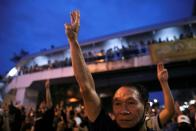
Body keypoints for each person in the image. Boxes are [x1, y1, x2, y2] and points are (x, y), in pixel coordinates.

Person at [64, 10, 175, 131]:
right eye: (117, 104)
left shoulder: (152, 125)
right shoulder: (106, 127)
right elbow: (86, 88)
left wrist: (164, 83)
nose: (123, 111)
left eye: (131, 103)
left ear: (147, 108)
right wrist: (73, 41)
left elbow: (169, 111)